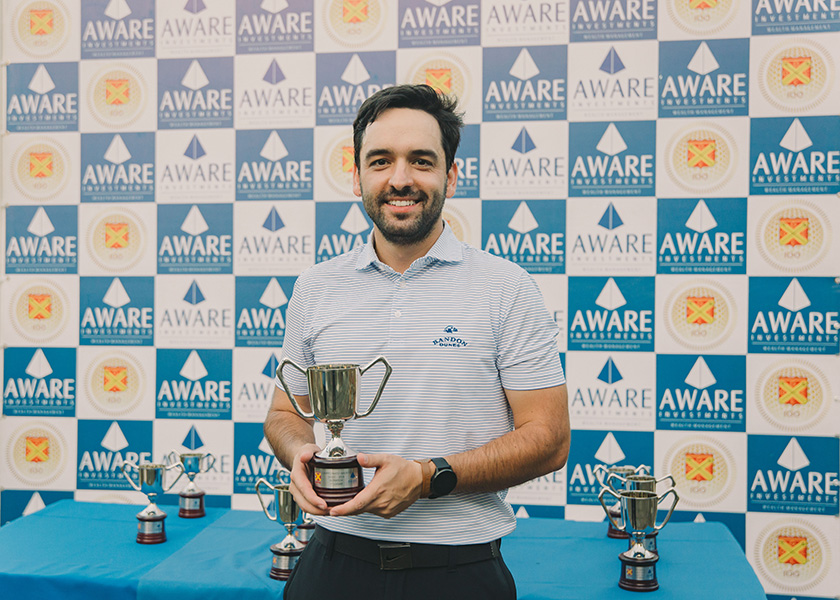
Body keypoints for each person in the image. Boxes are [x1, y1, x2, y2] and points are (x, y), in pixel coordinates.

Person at [263, 84, 570, 600]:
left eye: (421, 161)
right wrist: (301, 454)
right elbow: (284, 414)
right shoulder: (315, 287)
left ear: (451, 175)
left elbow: (550, 439)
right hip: (332, 564)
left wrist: (428, 477)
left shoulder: (506, 286)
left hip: (460, 572)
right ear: (357, 175)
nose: (400, 179)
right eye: (380, 161)